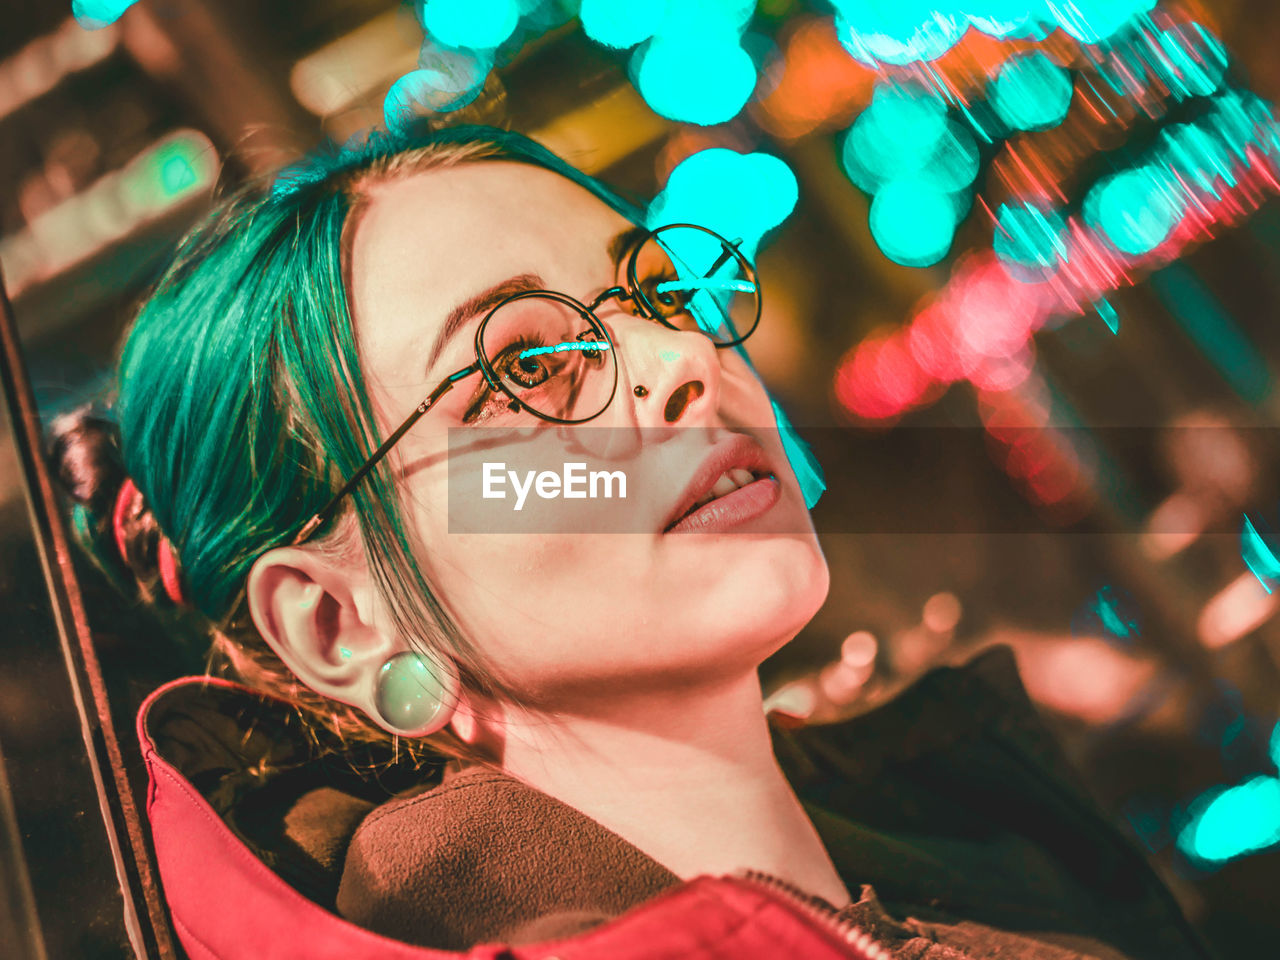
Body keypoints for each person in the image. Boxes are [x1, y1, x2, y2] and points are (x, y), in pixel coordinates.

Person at [49, 126, 1214, 960]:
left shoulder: (966, 850)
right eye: (526, 368)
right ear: (342, 624)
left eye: (660, 295)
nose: (680, 363)